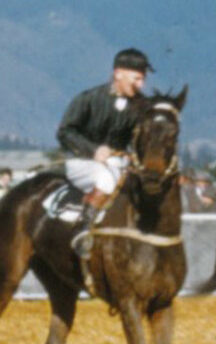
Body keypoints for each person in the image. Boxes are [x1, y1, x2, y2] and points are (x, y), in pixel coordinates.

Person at [57, 47, 153, 256]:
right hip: (82, 162)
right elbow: (65, 132)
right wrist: (94, 150)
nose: (141, 85)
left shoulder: (142, 106)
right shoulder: (88, 98)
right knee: (106, 179)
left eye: (143, 79)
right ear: (118, 73)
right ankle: (84, 232)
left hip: (119, 163)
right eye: (137, 78)